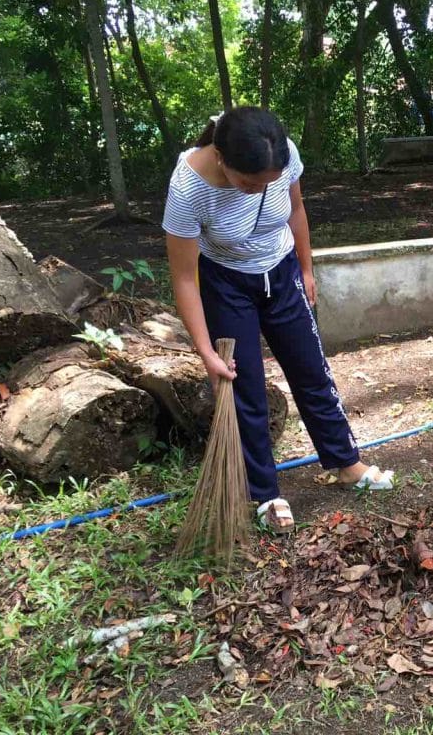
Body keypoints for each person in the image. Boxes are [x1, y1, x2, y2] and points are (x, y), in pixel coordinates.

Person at [162, 106, 393, 533]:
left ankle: (346, 463)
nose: (257, 191)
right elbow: (184, 279)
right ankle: (264, 493)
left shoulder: (282, 153)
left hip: (282, 272)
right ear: (220, 158)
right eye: (249, 184)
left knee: (312, 371)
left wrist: (305, 268)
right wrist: (205, 351)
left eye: (266, 184)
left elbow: (297, 210)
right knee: (243, 386)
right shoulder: (188, 187)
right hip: (226, 283)